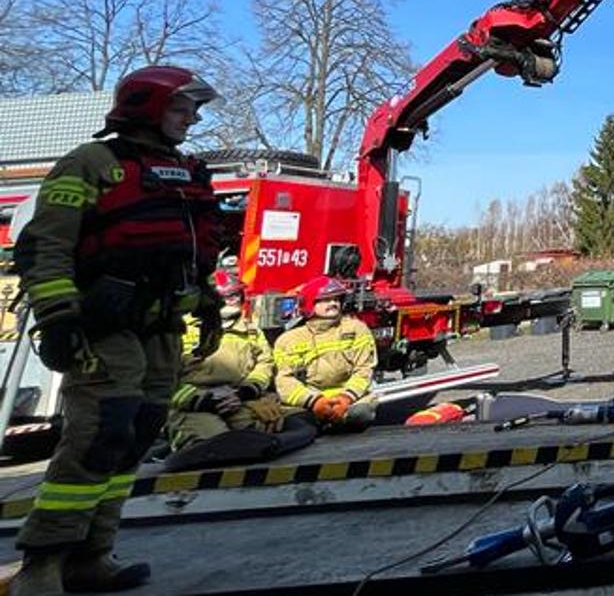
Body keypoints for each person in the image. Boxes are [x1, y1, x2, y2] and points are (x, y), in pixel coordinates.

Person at [12, 65, 223, 594]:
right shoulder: (90, 164)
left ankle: (92, 556)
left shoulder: (185, 171)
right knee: (101, 431)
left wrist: (210, 303)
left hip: (162, 328)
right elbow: (46, 247)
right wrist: (57, 316)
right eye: (183, 108)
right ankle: (43, 565)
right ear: (146, 106)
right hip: (103, 326)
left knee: (138, 434)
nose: (193, 119)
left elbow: (192, 250)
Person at [162, 269, 315, 471]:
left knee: (291, 422)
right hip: (192, 406)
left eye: (235, 295)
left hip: (238, 400)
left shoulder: (250, 329)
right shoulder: (180, 330)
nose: (231, 301)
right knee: (217, 444)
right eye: (224, 296)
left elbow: (264, 363)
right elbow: (162, 382)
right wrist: (204, 399)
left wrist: (246, 391)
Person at [273, 277, 379, 432]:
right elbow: (284, 380)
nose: (333, 304)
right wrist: (315, 402)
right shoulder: (289, 339)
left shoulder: (356, 329)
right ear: (309, 304)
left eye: (336, 299)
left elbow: (364, 370)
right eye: (325, 300)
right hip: (309, 400)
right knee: (295, 423)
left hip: (349, 398)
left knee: (361, 414)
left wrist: (346, 398)